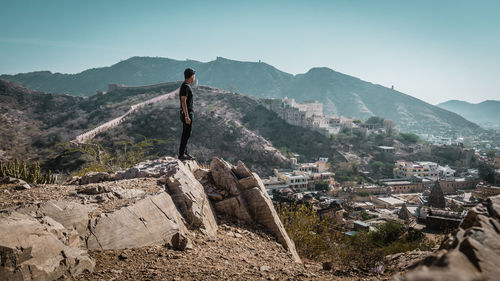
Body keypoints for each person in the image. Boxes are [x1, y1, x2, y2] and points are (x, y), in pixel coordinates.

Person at [178, 68, 196, 160]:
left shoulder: (185, 86)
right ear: (191, 76)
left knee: (187, 133)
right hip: (187, 113)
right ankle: (182, 154)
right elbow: (183, 101)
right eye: (194, 76)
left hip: (187, 113)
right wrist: (186, 116)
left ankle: (184, 153)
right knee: (186, 134)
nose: (194, 78)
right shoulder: (185, 86)